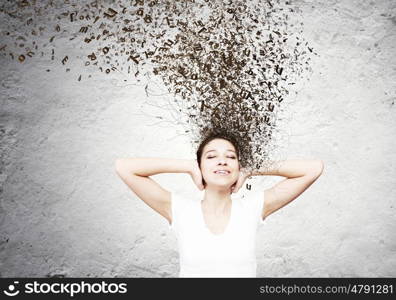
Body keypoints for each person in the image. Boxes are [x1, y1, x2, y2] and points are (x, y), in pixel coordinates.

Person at [115, 131, 324, 277]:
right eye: (211, 156)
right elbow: (124, 167)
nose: (222, 161)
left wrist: (252, 169)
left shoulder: (252, 208)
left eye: (231, 157)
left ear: (237, 168)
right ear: (200, 167)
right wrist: (187, 166)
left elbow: (313, 168)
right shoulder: (180, 209)